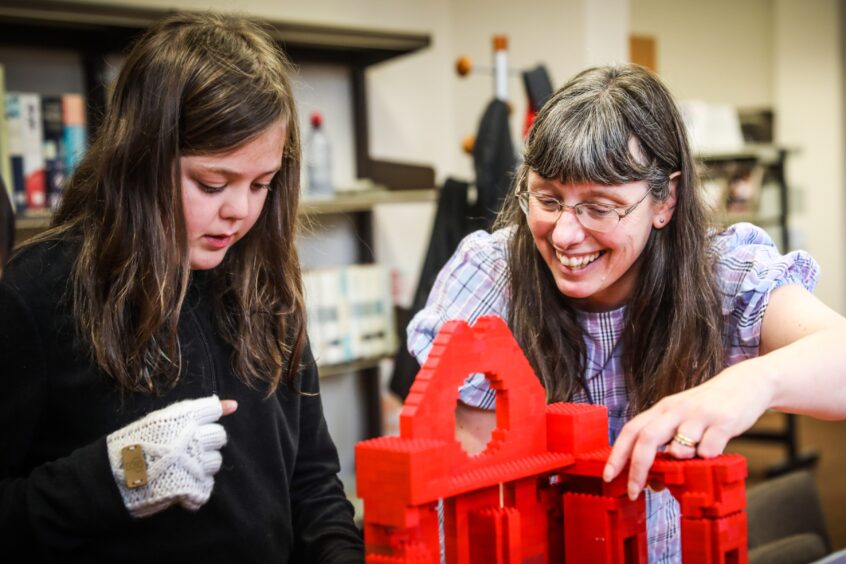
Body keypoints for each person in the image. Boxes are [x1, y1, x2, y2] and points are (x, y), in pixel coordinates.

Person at [407, 63, 846, 562]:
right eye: (548, 199)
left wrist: (752, 382)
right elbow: (480, 501)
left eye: (600, 207)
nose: (566, 235)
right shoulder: (492, 279)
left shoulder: (719, 273)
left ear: (665, 200)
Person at [0, 13, 363, 562]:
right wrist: (116, 477)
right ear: (140, 161)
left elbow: (312, 485)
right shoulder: (38, 292)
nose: (238, 212)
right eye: (211, 183)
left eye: (261, 184)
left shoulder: (267, 287)